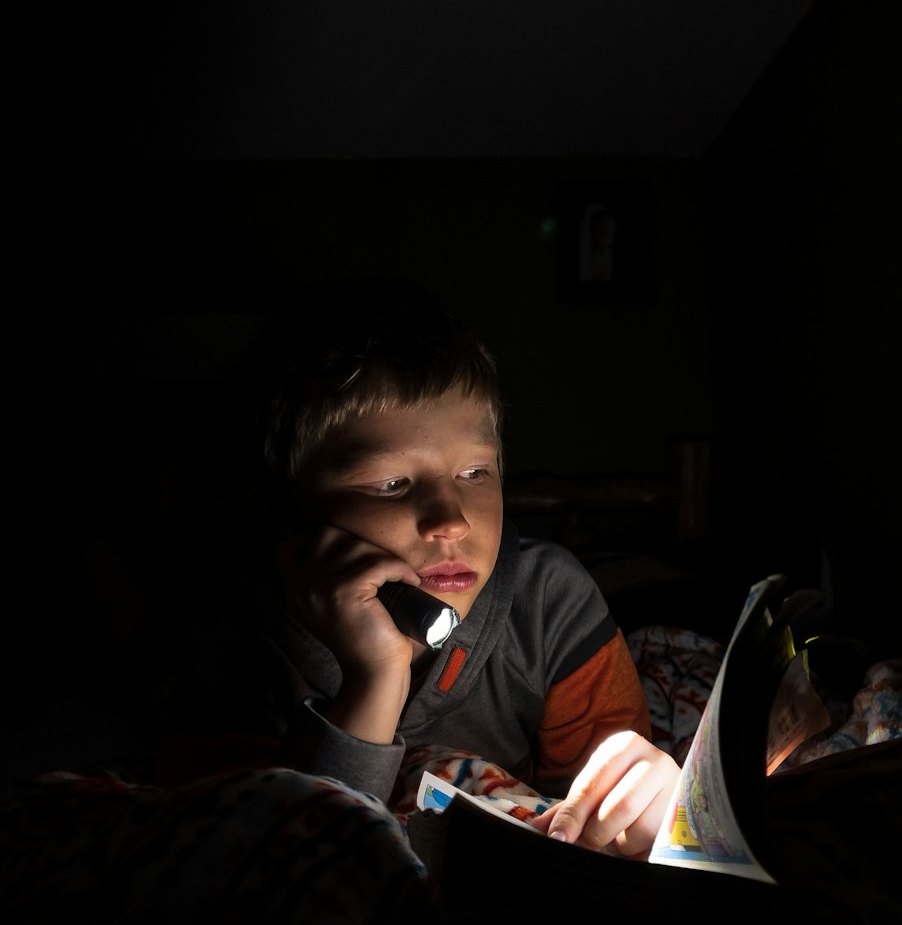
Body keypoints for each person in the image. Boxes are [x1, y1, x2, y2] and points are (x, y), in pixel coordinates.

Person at [156, 278, 680, 859]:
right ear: (296, 510)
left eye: (475, 473)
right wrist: (373, 677)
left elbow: (609, 829)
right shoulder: (240, 635)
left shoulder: (549, 600)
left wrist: (643, 805)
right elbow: (275, 866)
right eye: (390, 484)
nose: (451, 520)